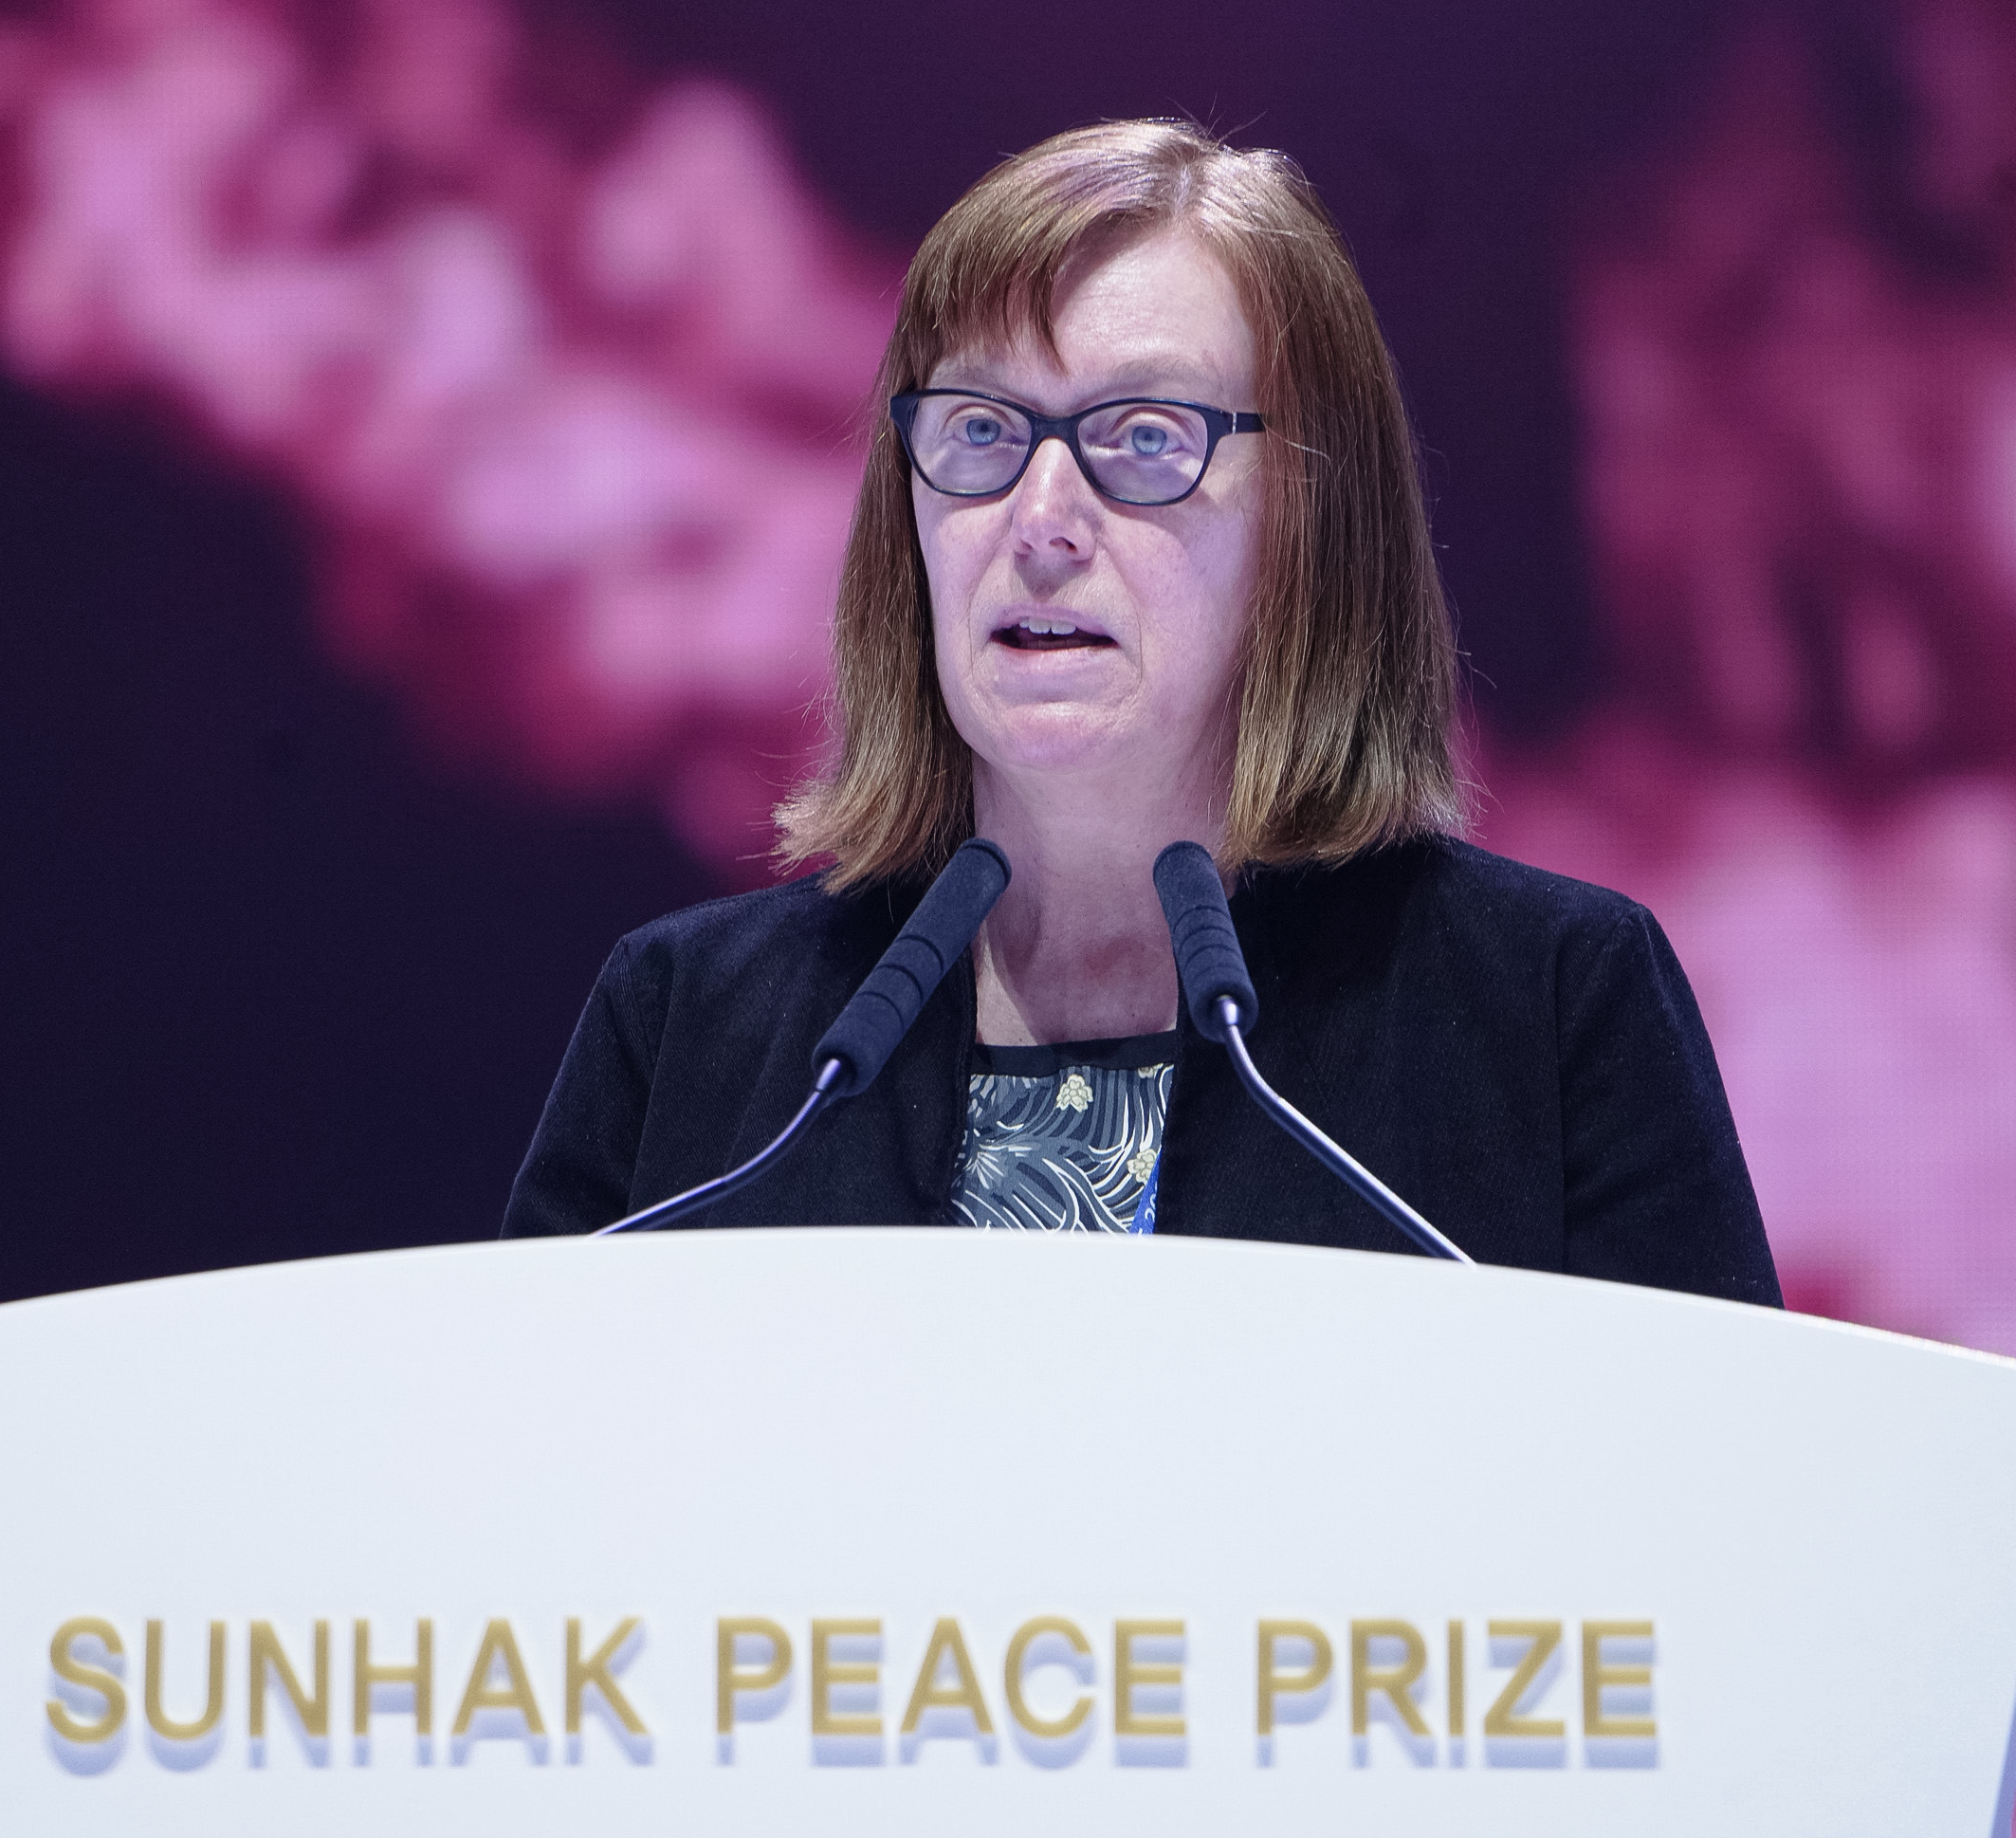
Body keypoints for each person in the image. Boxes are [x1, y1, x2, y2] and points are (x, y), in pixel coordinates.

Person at [501, 119, 1778, 1302]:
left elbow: (1722, 1466)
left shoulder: (1553, 1011)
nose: (1042, 519)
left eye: (1147, 437)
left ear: (1308, 526)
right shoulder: (689, 1025)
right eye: (982, 430)